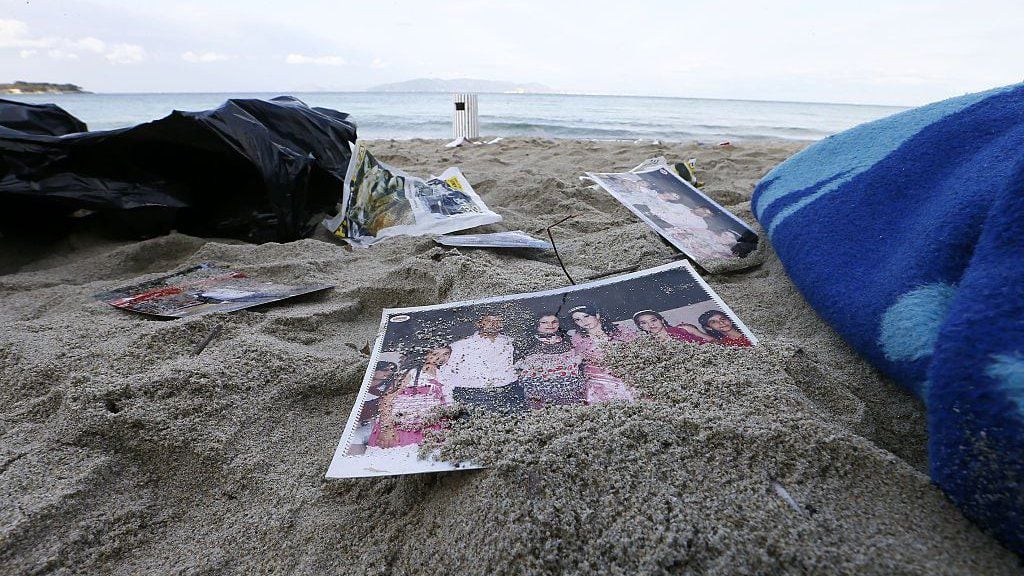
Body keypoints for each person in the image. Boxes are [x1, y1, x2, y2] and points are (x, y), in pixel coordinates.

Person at [438, 310, 525, 413]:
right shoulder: (460, 345)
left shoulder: (511, 343)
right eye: (489, 320)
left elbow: (520, 365)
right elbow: (446, 374)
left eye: (498, 321)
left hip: (509, 393)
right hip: (473, 395)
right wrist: (449, 403)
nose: (494, 324)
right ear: (478, 323)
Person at [368, 346, 451, 449]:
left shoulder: (442, 374)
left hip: (432, 426)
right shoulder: (411, 372)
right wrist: (387, 428)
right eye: (435, 354)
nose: (440, 358)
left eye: (445, 354)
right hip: (404, 429)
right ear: (425, 354)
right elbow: (386, 399)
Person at [568, 304, 637, 403]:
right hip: (598, 383)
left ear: (597, 315)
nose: (583, 322)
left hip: (626, 378)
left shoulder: (621, 331)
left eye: (586, 316)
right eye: (577, 320)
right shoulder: (576, 339)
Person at [514, 314, 586, 408]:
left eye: (554, 322)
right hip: (539, 394)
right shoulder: (526, 343)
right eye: (544, 322)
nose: (550, 325)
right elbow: (517, 368)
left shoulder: (568, 341)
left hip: (569, 393)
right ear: (536, 324)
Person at [632, 310, 712, 344]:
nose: (650, 325)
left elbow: (712, 340)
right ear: (641, 327)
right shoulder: (650, 344)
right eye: (644, 323)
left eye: (653, 320)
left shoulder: (684, 328)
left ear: (662, 320)